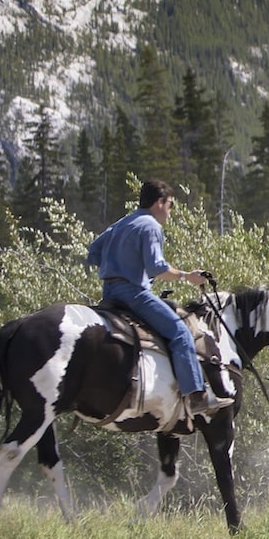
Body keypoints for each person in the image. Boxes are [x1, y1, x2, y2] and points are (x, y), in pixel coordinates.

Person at [85, 179, 234, 420]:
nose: (170, 210)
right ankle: (196, 395)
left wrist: (117, 262)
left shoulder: (122, 223)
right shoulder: (151, 226)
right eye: (170, 204)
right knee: (179, 331)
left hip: (109, 293)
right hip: (133, 294)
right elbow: (157, 268)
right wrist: (188, 276)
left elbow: (93, 251)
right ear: (159, 202)